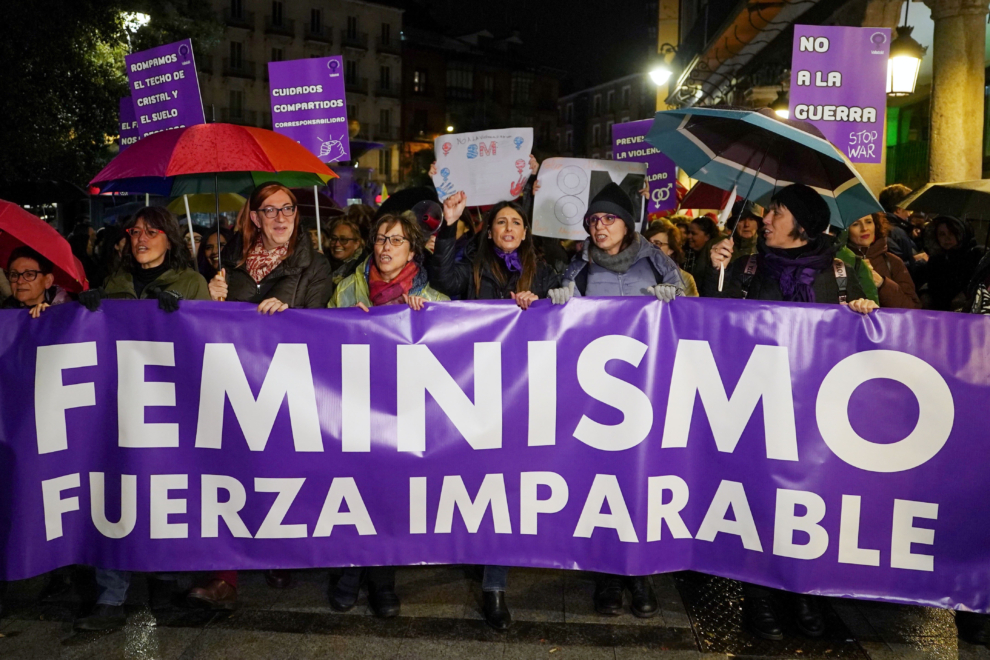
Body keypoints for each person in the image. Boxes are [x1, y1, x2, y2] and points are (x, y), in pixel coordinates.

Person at [707, 184, 877, 641]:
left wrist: (866, 309)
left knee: (811, 504)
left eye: (775, 213)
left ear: (801, 224)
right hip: (756, 407)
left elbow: (876, 331)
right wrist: (716, 274)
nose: (764, 219)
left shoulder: (844, 271)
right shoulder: (746, 266)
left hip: (819, 413)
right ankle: (759, 596)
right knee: (758, 502)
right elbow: (711, 326)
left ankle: (804, 592)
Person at [547, 182, 683, 620]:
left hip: (650, 393)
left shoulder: (658, 262)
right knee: (603, 484)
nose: (599, 226)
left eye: (608, 218)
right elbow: (563, 332)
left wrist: (674, 300)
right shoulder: (579, 268)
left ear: (628, 223)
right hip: (598, 399)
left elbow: (691, 315)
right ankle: (608, 575)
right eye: (593, 220)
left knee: (641, 483)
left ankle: (638, 574)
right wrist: (561, 303)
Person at [72, 206, 209, 632]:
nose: (141, 238)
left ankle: (166, 587)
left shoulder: (191, 283)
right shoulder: (114, 283)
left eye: (151, 232)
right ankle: (111, 596)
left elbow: (209, 344)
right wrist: (84, 311)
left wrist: (186, 314)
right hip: (120, 408)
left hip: (170, 409)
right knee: (116, 494)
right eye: (135, 232)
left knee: (165, 496)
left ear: (170, 238)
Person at [327, 212, 448, 618]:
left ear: (412, 250)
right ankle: (348, 570)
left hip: (405, 414)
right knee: (353, 488)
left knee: (389, 494)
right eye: (380, 239)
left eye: (395, 241)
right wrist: (344, 324)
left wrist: (425, 321)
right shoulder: (346, 289)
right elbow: (317, 342)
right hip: (356, 408)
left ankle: (381, 579)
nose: (385, 247)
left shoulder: (432, 300)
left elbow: (456, 348)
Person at [208, 183, 334, 312]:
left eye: (287, 209)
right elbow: (221, 324)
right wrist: (214, 301)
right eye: (270, 210)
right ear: (256, 218)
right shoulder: (230, 262)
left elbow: (317, 325)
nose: (280, 218)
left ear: (295, 213)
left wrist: (286, 314)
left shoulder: (316, 265)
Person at [846, 214, 920, 309]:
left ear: (875, 224)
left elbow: (913, 307)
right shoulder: (837, 261)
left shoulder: (893, 261)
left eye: (868, 222)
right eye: (855, 224)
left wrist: (882, 283)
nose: (864, 228)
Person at [923, 215, 983, 312]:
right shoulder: (936, 259)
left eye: (952, 233)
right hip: (940, 314)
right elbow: (929, 283)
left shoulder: (977, 255)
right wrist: (925, 293)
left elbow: (982, 283)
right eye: (942, 234)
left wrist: (967, 294)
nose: (947, 238)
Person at [2, 247, 72, 316]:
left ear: (48, 280)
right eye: (14, 275)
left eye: (29, 274)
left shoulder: (67, 307)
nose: (20, 281)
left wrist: (51, 315)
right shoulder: (5, 311)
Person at [642, 220, 698, 296]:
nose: (650, 247)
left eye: (657, 243)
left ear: (671, 250)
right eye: (647, 242)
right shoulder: (634, 270)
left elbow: (689, 306)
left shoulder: (685, 279)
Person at [326, 215, 367, 292]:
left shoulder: (364, 268)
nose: (337, 244)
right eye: (334, 238)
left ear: (356, 244)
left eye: (343, 239)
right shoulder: (322, 263)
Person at [684, 216, 721, 292]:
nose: (689, 236)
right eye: (688, 232)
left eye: (693, 233)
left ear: (707, 236)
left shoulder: (715, 256)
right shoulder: (687, 252)